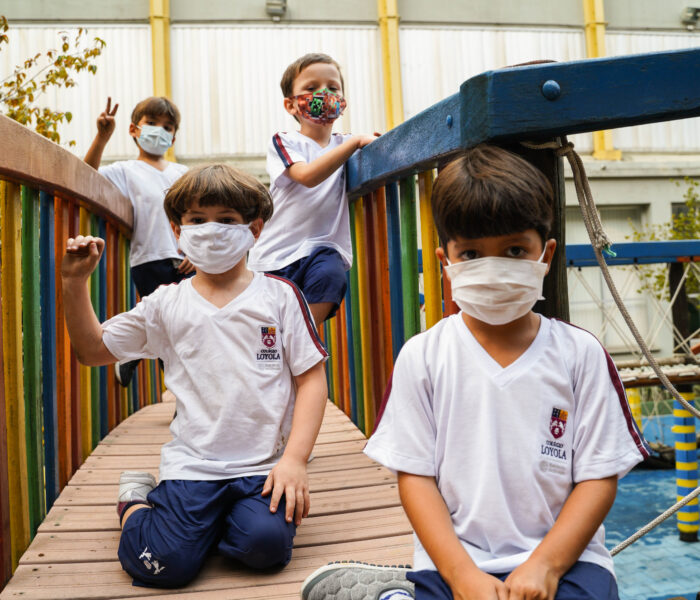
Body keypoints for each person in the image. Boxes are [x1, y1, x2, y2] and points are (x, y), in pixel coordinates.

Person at [301, 145, 650, 600]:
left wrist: (545, 566)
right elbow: (416, 478)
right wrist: (462, 575)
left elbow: (598, 477)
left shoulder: (580, 355)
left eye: (514, 250)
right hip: (453, 562)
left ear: (545, 254)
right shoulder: (424, 357)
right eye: (471, 253)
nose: (494, 268)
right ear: (445, 262)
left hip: (568, 562)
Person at [61, 164, 329, 588]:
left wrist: (294, 460)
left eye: (227, 220)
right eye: (197, 220)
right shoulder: (164, 305)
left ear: (254, 229)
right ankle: (135, 502)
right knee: (162, 565)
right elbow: (92, 351)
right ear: (177, 230)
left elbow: (311, 378)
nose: (211, 230)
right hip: (192, 466)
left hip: (263, 466)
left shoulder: (280, 297)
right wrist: (74, 284)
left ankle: (210, 527)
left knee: (266, 547)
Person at [247, 52, 377, 327]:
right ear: (291, 104)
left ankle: (302, 336)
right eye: (311, 87)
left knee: (332, 277)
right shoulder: (285, 141)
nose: (324, 94)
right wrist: (354, 143)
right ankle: (286, 342)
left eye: (333, 88)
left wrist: (372, 143)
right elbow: (306, 176)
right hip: (276, 255)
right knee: (267, 329)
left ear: (342, 101)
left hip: (322, 248)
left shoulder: (344, 144)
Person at [84, 96, 193, 386]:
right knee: (166, 327)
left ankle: (132, 354)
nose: (160, 130)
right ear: (134, 129)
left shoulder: (183, 174)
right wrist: (102, 137)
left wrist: (195, 253)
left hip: (188, 260)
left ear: (173, 137)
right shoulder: (124, 171)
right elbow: (86, 177)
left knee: (190, 327)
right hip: (149, 259)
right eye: (152, 123)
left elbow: (196, 216)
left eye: (168, 127)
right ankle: (181, 395)